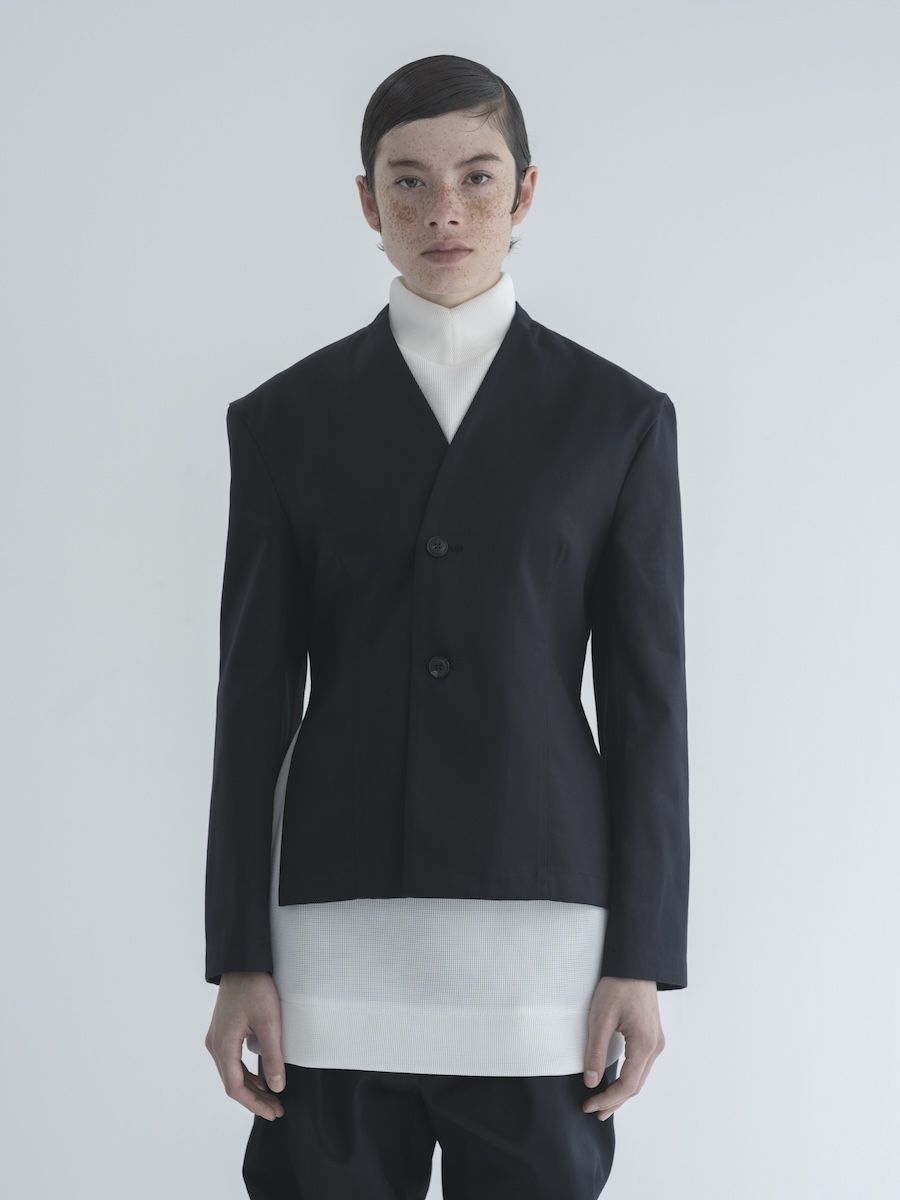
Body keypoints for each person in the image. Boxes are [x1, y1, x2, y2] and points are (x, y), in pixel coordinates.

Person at [204, 53, 689, 1200]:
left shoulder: (617, 422)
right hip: (327, 934)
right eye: (408, 182)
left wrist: (644, 958)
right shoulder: (283, 422)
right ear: (367, 202)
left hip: (544, 946)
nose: (445, 211)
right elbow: (252, 703)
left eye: (477, 176)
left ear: (525, 192)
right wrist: (237, 957)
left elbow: (648, 707)